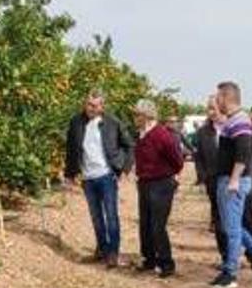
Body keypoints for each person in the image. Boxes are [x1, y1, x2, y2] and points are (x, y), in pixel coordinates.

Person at [210, 81, 252, 288]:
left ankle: (230, 273)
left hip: (232, 181)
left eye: (218, 96)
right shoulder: (232, 120)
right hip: (226, 179)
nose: (216, 100)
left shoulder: (241, 121)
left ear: (227, 97)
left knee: (233, 230)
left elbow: (244, 152)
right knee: (232, 227)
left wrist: (235, 179)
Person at [63, 91, 135, 268]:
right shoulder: (76, 122)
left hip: (107, 176)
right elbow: (71, 148)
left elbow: (129, 145)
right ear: (84, 104)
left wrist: (124, 168)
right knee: (96, 216)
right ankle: (102, 249)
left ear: (102, 107)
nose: (92, 109)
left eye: (96, 106)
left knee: (111, 215)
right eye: (89, 104)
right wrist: (70, 173)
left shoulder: (112, 122)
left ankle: (113, 253)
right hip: (87, 178)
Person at [194, 96, 252, 251]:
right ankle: (226, 255)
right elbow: (199, 157)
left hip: (239, 180)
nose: (211, 112)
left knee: (245, 219)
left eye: (213, 108)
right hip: (215, 182)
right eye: (208, 109)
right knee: (221, 222)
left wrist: (245, 171)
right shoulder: (203, 132)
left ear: (221, 106)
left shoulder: (238, 124)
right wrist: (203, 178)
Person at [132, 100, 184, 278]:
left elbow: (177, 160)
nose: (134, 118)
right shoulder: (141, 133)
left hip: (161, 183)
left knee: (157, 225)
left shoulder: (161, 134)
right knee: (145, 223)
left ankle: (166, 263)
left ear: (146, 116)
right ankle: (149, 259)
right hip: (145, 182)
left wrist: (168, 174)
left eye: (137, 114)